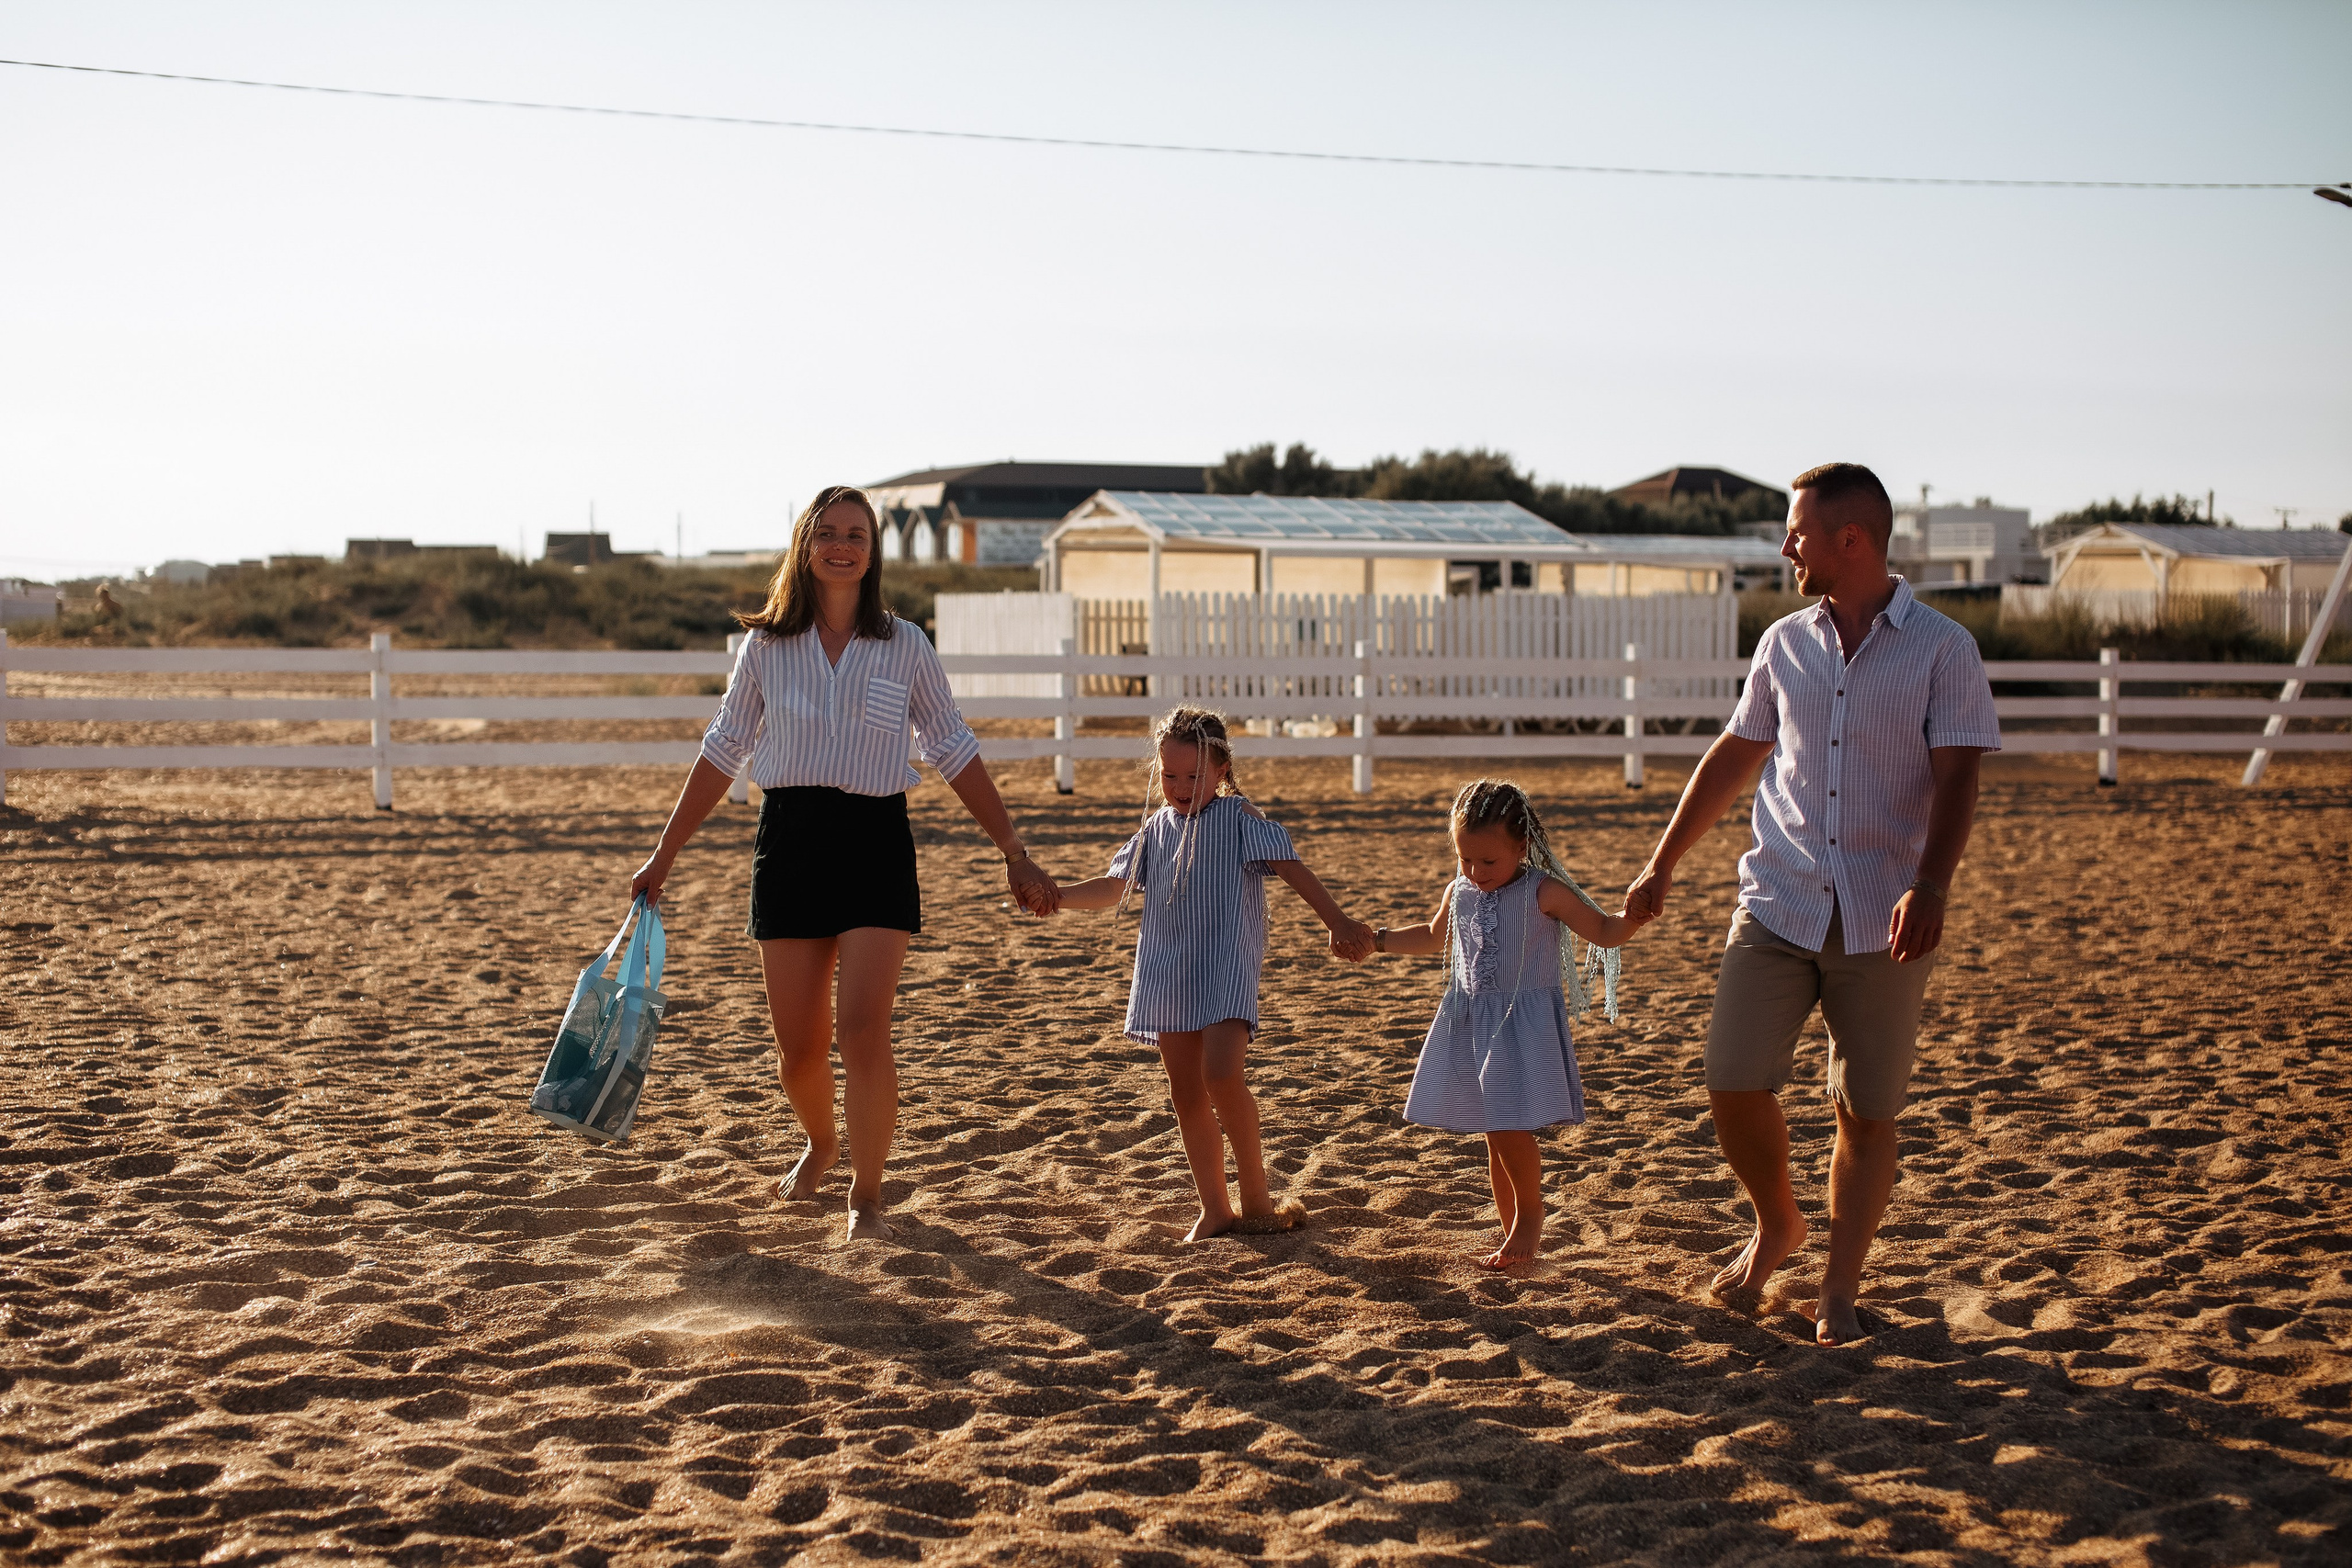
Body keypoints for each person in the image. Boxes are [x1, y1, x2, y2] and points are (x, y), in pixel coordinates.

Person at [1626, 462, 2000, 1345]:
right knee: (1730, 1078)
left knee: (1865, 1112)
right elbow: (1734, 753)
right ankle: (1777, 1221)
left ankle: (1838, 1284)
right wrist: (1663, 859)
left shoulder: (1945, 648)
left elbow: (1959, 779)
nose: (1786, 546)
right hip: (1779, 898)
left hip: (1886, 913)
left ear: (1851, 539)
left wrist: (1933, 880)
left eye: (1796, 532)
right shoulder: (1784, 642)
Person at [628, 484, 1061, 1243]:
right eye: (827, 532)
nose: (842, 544)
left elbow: (953, 748)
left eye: (857, 533)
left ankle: (866, 1189)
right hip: (789, 838)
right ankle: (820, 1142)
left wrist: (1013, 850)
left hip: (874, 840)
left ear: (873, 550)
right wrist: (664, 853)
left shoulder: (906, 644)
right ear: (806, 546)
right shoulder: (765, 647)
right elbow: (722, 750)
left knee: (863, 1030)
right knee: (797, 1051)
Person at [1052, 707, 1374, 1241]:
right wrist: (1058, 897)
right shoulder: (1154, 830)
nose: (1179, 787)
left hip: (1226, 967)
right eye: (1169, 775)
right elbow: (1114, 887)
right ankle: (1215, 1208)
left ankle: (1257, 1199)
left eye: (1193, 775)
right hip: (1168, 970)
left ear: (1222, 769)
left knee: (1221, 1074)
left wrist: (1337, 921)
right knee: (1185, 1092)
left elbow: (1293, 868)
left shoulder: (1241, 819)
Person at [1357, 778, 1649, 1269]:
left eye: (1488, 861)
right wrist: (1377, 939)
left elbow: (1603, 930)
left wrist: (1637, 914)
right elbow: (1433, 938)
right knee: (1495, 1130)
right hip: (1472, 1020)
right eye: (1466, 859)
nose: (1475, 871)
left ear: (1522, 846)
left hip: (1522, 1022)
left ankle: (1530, 1218)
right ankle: (1510, 1221)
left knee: (1508, 1125)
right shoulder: (1461, 890)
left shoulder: (1544, 891)